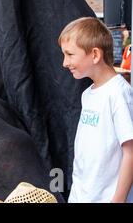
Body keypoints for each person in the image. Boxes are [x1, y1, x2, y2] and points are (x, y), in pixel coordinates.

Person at [58, 17, 133, 203]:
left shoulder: (118, 94)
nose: (64, 63)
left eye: (70, 54)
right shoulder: (87, 95)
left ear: (95, 55)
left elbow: (130, 152)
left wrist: (118, 200)